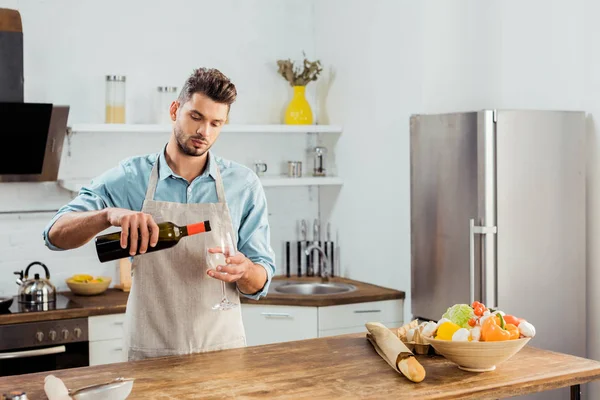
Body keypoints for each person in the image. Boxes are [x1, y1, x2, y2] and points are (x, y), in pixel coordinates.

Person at [42, 67, 276, 361]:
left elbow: (260, 279)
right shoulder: (131, 177)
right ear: (175, 109)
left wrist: (245, 272)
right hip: (150, 354)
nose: (205, 132)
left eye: (216, 123)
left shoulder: (243, 184)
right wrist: (108, 215)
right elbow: (54, 235)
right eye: (196, 117)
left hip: (222, 354)